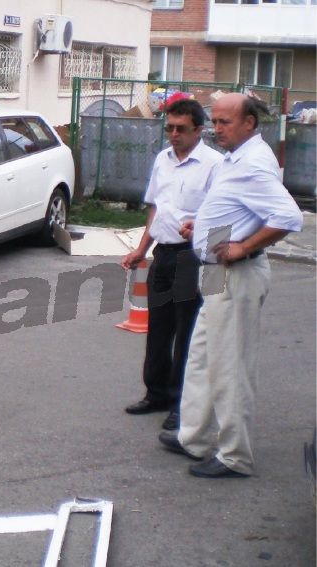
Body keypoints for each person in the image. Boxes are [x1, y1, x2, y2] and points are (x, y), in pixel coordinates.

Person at [159, 93, 303, 478]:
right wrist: (202, 228)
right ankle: (195, 438)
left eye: (225, 122)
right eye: (216, 121)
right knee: (202, 357)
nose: (217, 129)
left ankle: (234, 455)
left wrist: (243, 246)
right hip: (216, 270)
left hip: (236, 274)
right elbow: (238, 209)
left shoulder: (253, 164)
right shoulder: (235, 158)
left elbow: (288, 216)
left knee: (229, 366)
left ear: (249, 124)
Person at [122, 98, 223, 431]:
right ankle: (157, 393)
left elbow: (221, 215)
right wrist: (141, 249)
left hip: (192, 256)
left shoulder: (214, 164)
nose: (174, 134)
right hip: (163, 254)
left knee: (187, 333)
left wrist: (211, 266)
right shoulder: (162, 160)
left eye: (181, 128)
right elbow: (156, 208)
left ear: (199, 130)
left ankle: (183, 403)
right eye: (169, 128)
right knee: (159, 328)